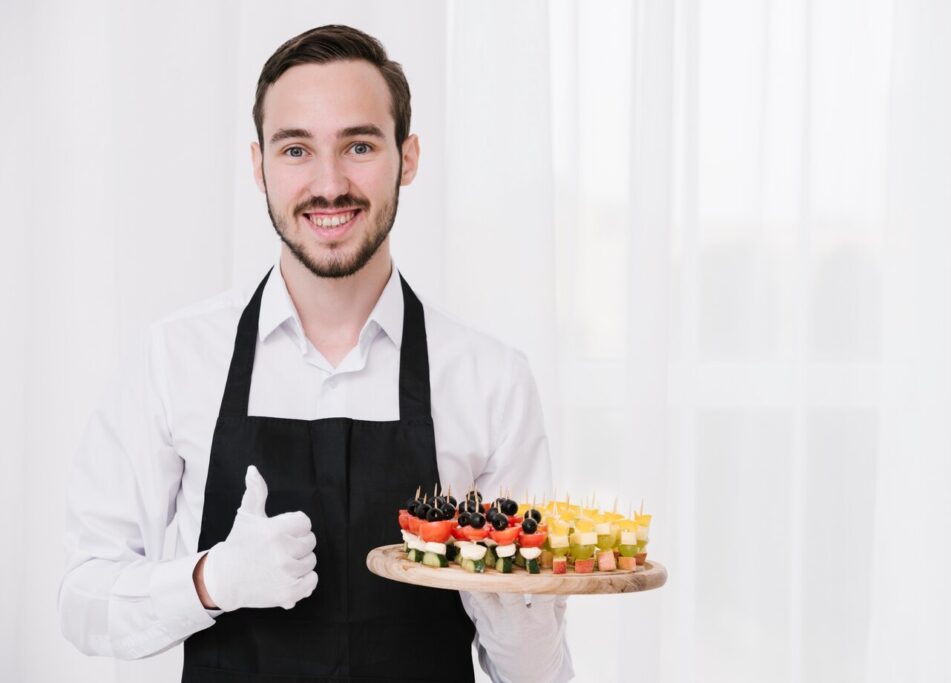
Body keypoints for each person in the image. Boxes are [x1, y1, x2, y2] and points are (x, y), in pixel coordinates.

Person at [59, 24, 573, 682]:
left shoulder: (490, 379)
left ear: (407, 158)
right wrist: (210, 578)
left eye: (359, 145)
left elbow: (536, 675)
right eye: (297, 149)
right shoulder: (174, 358)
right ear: (259, 165)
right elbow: (82, 599)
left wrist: (502, 592)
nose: (329, 184)